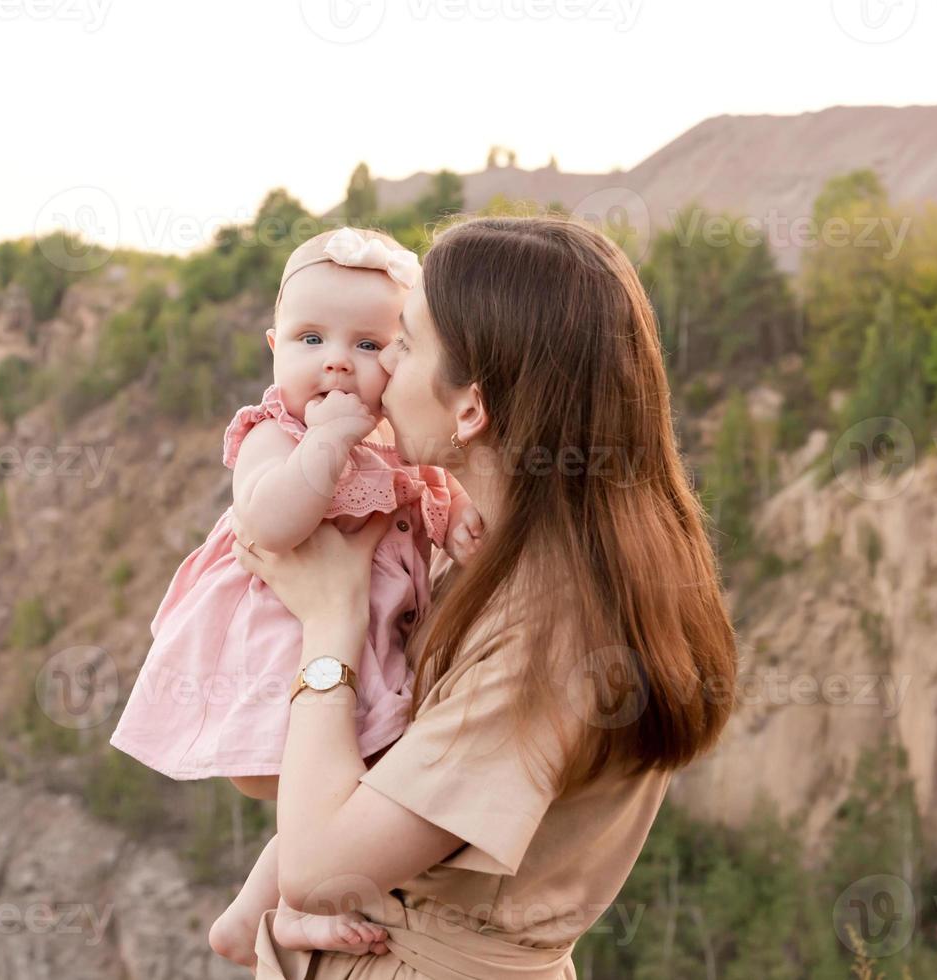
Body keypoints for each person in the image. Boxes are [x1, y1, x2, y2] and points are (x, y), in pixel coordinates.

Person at [230, 215, 739, 979]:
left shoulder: (550, 627)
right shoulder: (496, 549)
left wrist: (328, 625)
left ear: (469, 407)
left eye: (398, 343)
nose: (368, 367)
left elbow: (319, 869)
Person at [108, 226, 482, 965]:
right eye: (310, 339)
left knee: (359, 784)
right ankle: (285, 910)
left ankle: (257, 912)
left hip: (356, 643)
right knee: (338, 777)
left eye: (370, 345)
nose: (336, 360)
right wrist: (324, 445)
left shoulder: (394, 444)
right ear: (272, 345)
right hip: (280, 646)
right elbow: (269, 523)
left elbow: (430, 496)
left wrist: (460, 518)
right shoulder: (271, 434)